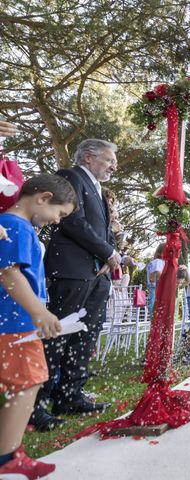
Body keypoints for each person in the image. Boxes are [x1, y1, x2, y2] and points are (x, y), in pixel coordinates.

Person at [31, 139, 118, 431]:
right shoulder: (71, 177)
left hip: (97, 275)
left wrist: (112, 254)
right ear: (90, 157)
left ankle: (70, 395)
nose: (113, 166)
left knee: (85, 335)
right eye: (108, 160)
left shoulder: (98, 188)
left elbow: (104, 229)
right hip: (72, 270)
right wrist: (107, 252)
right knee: (58, 335)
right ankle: (37, 403)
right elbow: (73, 222)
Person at [0, 174, 77, 478]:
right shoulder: (17, 226)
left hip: (14, 321)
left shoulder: (13, 225)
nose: (57, 221)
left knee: (20, 384)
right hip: (16, 322)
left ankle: (9, 450)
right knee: (28, 382)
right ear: (43, 198)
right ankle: (8, 458)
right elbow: (9, 274)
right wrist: (39, 313)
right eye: (59, 213)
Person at [146, 242, 166, 313]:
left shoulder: (160, 262)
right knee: (156, 314)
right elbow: (153, 277)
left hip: (156, 291)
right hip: (156, 291)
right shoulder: (158, 262)